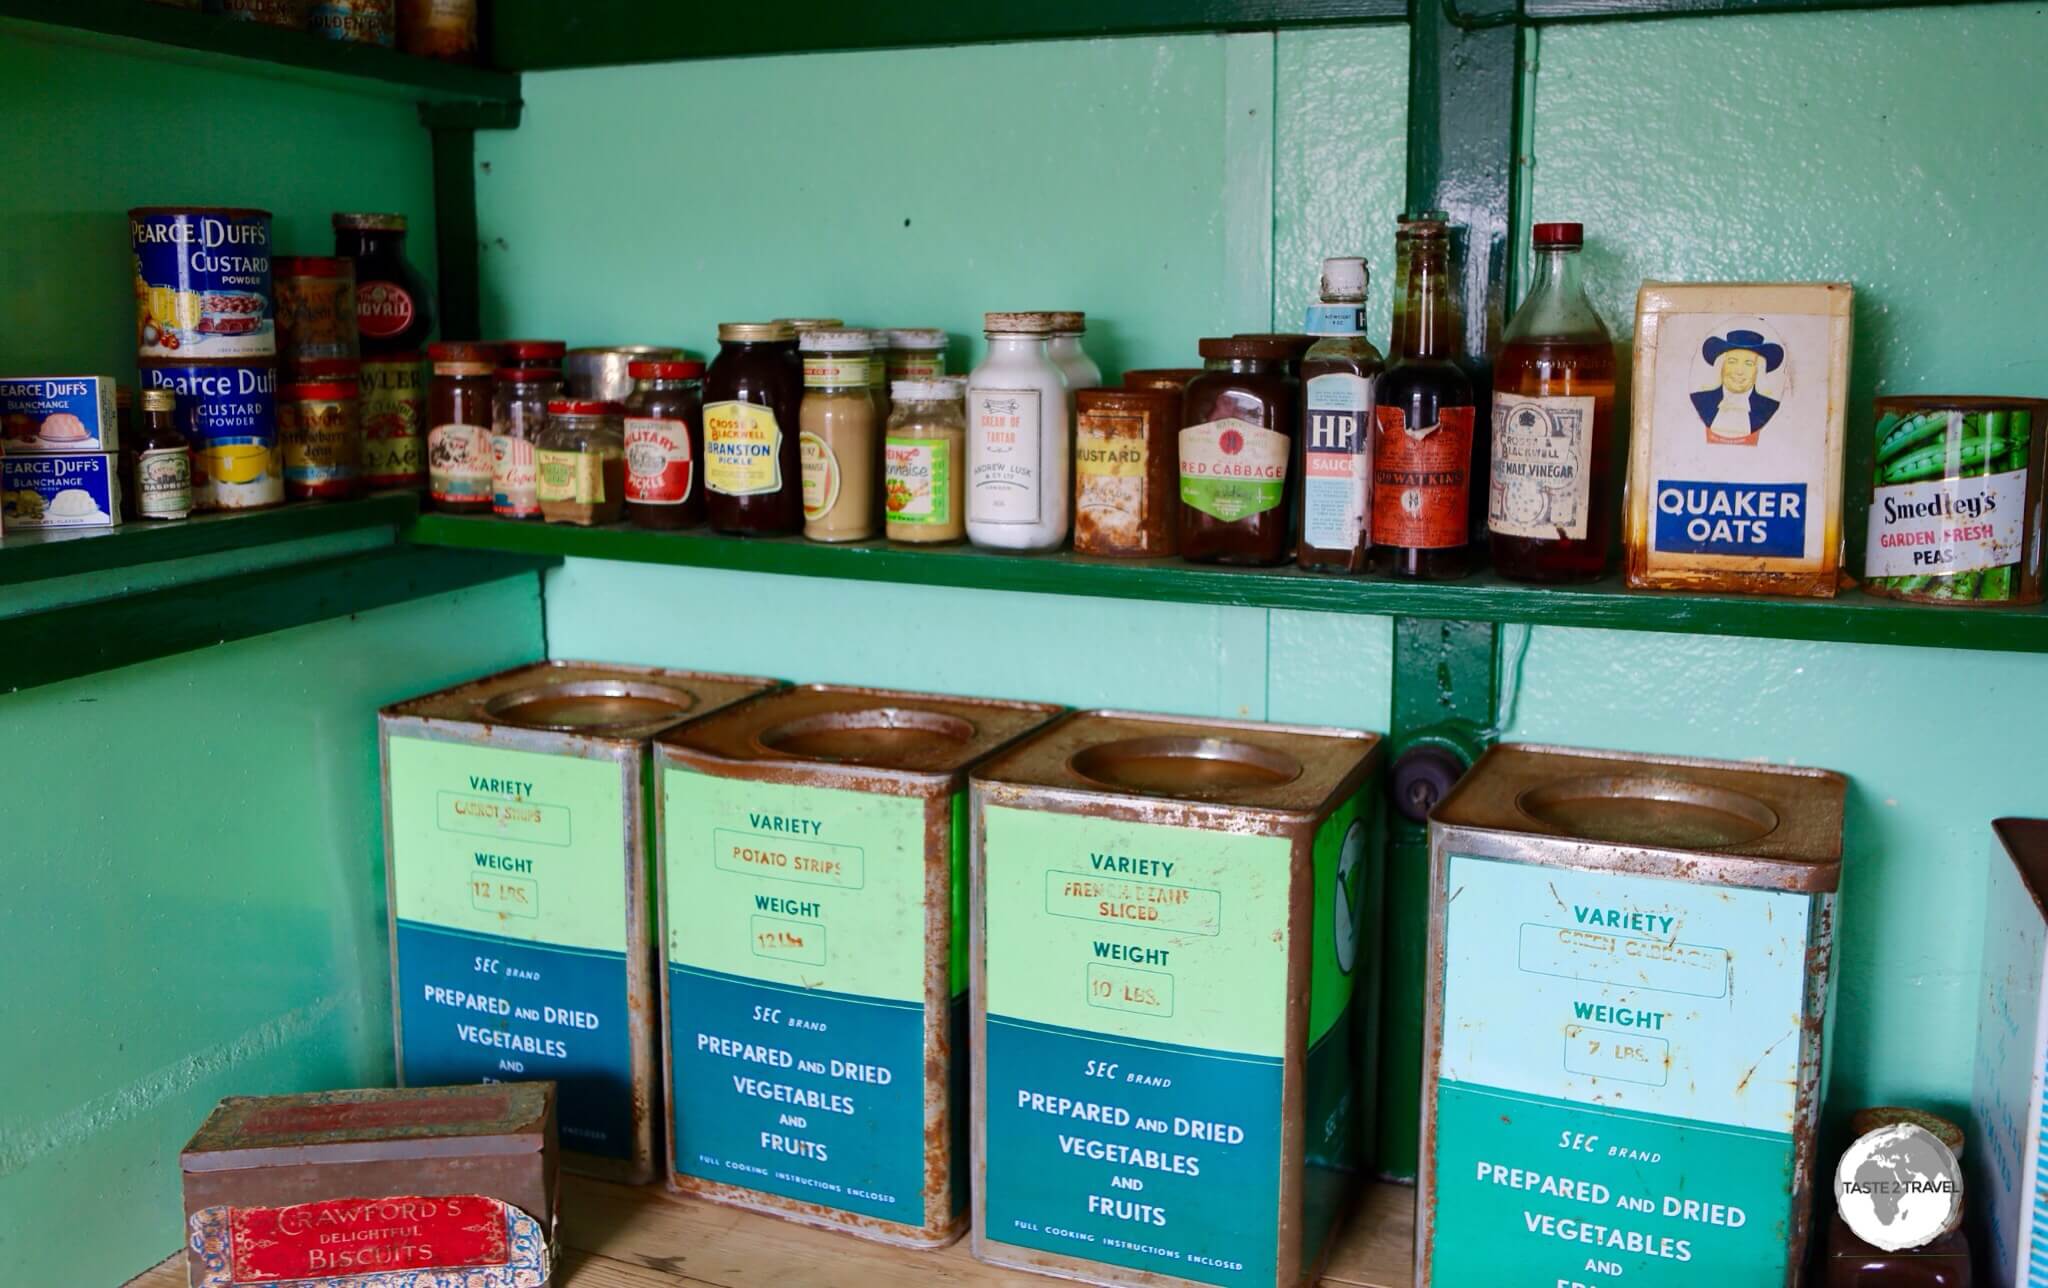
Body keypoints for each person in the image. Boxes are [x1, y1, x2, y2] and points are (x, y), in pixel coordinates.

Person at [1690, 328, 1783, 444]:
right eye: (1732, 361)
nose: (1739, 371)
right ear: (1721, 365)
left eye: (1749, 363)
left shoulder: (1769, 407)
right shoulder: (1699, 400)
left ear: (1758, 369)